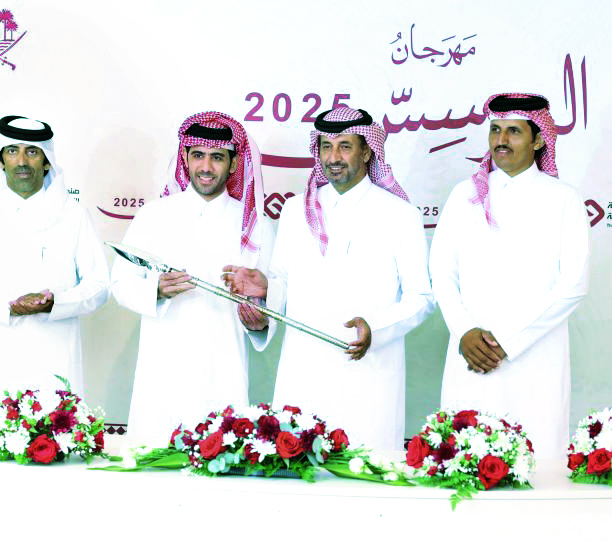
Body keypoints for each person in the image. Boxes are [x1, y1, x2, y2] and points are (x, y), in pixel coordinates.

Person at [224, 106, 433, 450]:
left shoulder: (400, 214)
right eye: (326, 147)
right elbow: (282, 281)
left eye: (345, 146)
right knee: (298, 464)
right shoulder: (295, 210)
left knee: (366, 467)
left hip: (368, 371)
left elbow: (421, 298)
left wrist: (376, 328)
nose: (333, 157)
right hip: (303, 371)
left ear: (367, 151)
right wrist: (265, 294)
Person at [429, 93, 590, 458]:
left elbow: (573, 285)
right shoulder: (464, 194)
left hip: (535, 358)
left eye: (514, 131)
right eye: (495, 130)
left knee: (538, 465)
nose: (501, 140)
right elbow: (441, 270)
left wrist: (508, 341)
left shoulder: (563, 199)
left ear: (538, 140)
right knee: (464, 463)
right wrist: (464, 330)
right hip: (470, 355)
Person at [110, 111, 274, 446]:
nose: (206, 167)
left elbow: (269, 301)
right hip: (162, 371)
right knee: (156, 455)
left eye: (217, 157)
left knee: (222, 457)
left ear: (233, 163)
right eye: (198, 155)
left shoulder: (255, 225)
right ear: (185, 158)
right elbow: (119, 284)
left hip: (223, 370)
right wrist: (155, 289)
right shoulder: (154, 215)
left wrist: (259, 321)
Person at [0, 115, 109, 404]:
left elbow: (99, 286)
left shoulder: (74, 216)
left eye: (32, 152)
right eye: (12, 151)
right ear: (0, 161)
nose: (21, 161)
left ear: (47, 162)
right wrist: (6, 307)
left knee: (55, 428)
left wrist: (57, 303)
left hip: (54, 356)